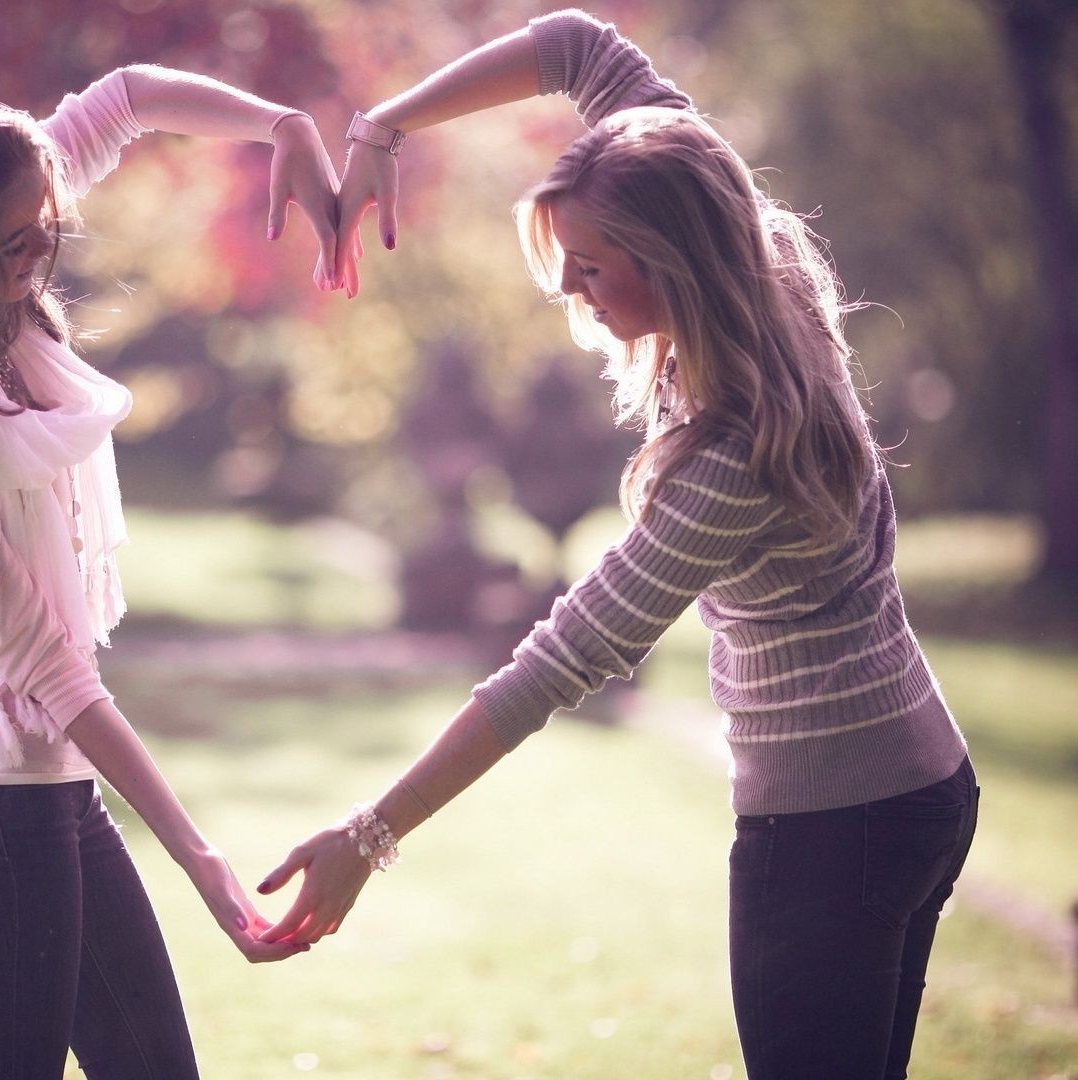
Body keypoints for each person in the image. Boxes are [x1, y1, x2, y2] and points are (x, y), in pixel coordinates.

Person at [259, 10, 979, 1078]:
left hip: (831, 834)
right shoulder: (766, 266)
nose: (569, 288)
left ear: (673, 261)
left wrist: (367, 837)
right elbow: (576, 46)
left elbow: (554, 663)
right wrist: (384, 128)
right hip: (922, 787)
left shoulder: (733, 462)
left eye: (592, 266)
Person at [0, 67, 338, 1078]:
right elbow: (49, 668)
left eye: (47, 222)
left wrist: (281, 126)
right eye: (17, 243)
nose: (44, 249)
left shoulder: (3, 220)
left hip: (37, 784)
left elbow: (130, 97)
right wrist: (202, 861)